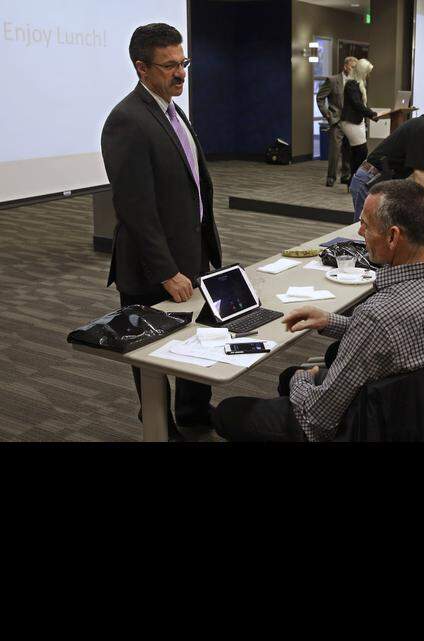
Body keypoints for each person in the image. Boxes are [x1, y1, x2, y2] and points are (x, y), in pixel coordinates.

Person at [211, 181, 424, 442]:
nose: (360, 232)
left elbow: (318, 419)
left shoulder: (378, 315)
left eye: (366, 225)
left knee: (230, 410)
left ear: (392, 236)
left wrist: (302, 379)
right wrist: (329, 321)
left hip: (364, 425)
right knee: (288, 377)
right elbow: (396, 337)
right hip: (418, 414)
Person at [101, 23, 222, 441]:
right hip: (154, 266)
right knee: (152, 354)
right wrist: (166, 271)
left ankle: (192, 411)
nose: (181, 73)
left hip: (190, 252)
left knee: (194, 339)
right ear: (142, 68)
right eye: (169, 66)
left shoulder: (171, 109)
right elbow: (136, 211)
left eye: (183, 62)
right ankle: (159, 425)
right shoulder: (127, 121)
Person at [349, 98, 424, 221]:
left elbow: (417, 173)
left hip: (377, 180)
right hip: (369, 182)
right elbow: (419, 174)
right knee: (365, 232)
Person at [315, 56, 358, 187]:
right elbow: (320, 97)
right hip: (337, 120)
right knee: (335, 150)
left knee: (348, 150)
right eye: (352, 67)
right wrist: (327, 113)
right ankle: (331, 177)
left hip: (351, 121)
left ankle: (346, 175)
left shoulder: (356, 82)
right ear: (345, 66)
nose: (354, 70)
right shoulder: (332, 80)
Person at [341, 58, 381, 179]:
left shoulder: (359, 84)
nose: (369, 75)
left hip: (357, 121)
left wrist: (370, 114)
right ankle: (356, 180)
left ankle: (354, 180)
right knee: (361, 151)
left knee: (358, 152)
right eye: (367, 72)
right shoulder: (351, 84)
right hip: (350, 121)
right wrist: (372, 114)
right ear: (362, 71)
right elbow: (357, 104)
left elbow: (360, 105)